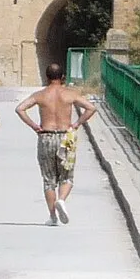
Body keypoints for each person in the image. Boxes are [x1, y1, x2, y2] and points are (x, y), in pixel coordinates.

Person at [16, 63, 97, 225]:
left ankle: (53, 217)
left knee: (48, 179)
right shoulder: (70, 94)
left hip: (45, 136)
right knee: (67, 176)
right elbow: (91, 108)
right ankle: (61, 199)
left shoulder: (40, 95)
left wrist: (34, 126)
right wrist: (76, 124)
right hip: (65, 137)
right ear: (62, 77)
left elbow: (20, 108)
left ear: (47, 77)